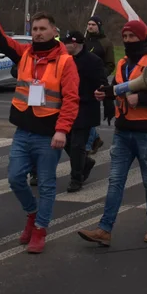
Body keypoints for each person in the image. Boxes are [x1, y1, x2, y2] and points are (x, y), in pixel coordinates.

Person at [0, 0, 78, 254]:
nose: (38, 33)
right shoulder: (24, 54)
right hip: (23, 131)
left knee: (46, 184)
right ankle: (32, 215)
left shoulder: (66, 62)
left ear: (54, 31)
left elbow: (70, 100)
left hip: (48, 135)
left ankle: (40, 230)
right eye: (34, 28)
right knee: (14, 178)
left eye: (43, 28)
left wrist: (62, 131)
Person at [79, 21, 147, 246]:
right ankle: (105, 229)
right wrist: (106, 95)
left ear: (142, 37)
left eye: (133, 36)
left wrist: (141, 99)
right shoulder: (123, 62)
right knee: (115, 181)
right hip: (123, 131)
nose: (129, 40)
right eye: (126, 36)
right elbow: (119, 89)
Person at [60, 30, 106, 193]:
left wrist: (102, 96)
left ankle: (76, 178)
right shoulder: (64, 60)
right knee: (65, 141)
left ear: (74, 44)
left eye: (66, 43)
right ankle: (85, 162)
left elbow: (102, 83)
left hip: (85, 108)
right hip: (67, 107)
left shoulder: (93, 61)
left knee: (78, 145)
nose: (63, 46)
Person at [83, 16, 114, 154]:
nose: (90, 27)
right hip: (82, 81)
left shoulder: (106, 42)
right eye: (88, 24)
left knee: (89, 113)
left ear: (99, 26)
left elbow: (110, 64)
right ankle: (95, 138)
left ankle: (88, 145)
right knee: (83, 112)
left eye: (93, 25)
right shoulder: (83, 41)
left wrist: (101, 74)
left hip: (97, 82)